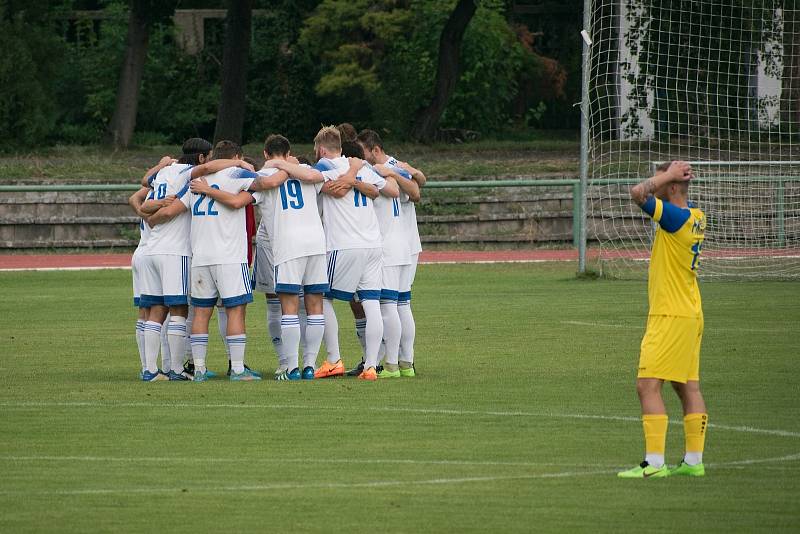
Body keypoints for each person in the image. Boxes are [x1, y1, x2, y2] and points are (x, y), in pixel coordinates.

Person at [618, 160, 708, 478]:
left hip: (670, 314)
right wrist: (668, 175)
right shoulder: (696, 215)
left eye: (662, 178)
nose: (655, 180)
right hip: (690, 312)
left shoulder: (675, 218)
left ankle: (654, 464)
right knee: (688, 387)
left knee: (647, 385)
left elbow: (638, 193)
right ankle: (694, 462)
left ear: (671, 187)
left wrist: (666, 176)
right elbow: (661, 191)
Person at [148, 141, 261, 381]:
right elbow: (247, 194)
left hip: (200, 258)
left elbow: (168, 212)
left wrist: (150, 219)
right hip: (230, 257)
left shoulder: (194, 184)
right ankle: (238, 369)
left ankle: (198, 369)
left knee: (200, 313)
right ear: (236, 156)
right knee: (235, 311)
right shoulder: (238, 174)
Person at [311, 126, 398, 381]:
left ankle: (334, 358)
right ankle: (371, 366)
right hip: (373, 244)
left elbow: (334, 189)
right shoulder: (362, 167)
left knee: (322, 298)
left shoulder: (324, 167)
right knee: (370, 303)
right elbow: (384, 190)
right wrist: (357, 177)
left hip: (344, 244)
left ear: (322, 149)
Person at [352, 129, 425, 377]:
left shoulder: (380, 171)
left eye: (362, 151)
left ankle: (392, 363)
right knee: (402, 304)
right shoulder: (385, 172)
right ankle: (406, 362)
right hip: (401, 243)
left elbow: (416, 191)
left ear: (374, 149)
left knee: (388, 306)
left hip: (390, 246)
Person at [138, 141, 211, 381]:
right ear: (201, 158)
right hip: (174, 250)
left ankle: (150, 370)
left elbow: (142, 189)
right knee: (179, 309)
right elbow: (204, 171)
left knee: (156, 310)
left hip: (151, 248)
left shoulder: (163, 172)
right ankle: (177, 370)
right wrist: (237, 162)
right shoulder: (185, 173)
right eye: (208, 158)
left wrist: (160, 165)